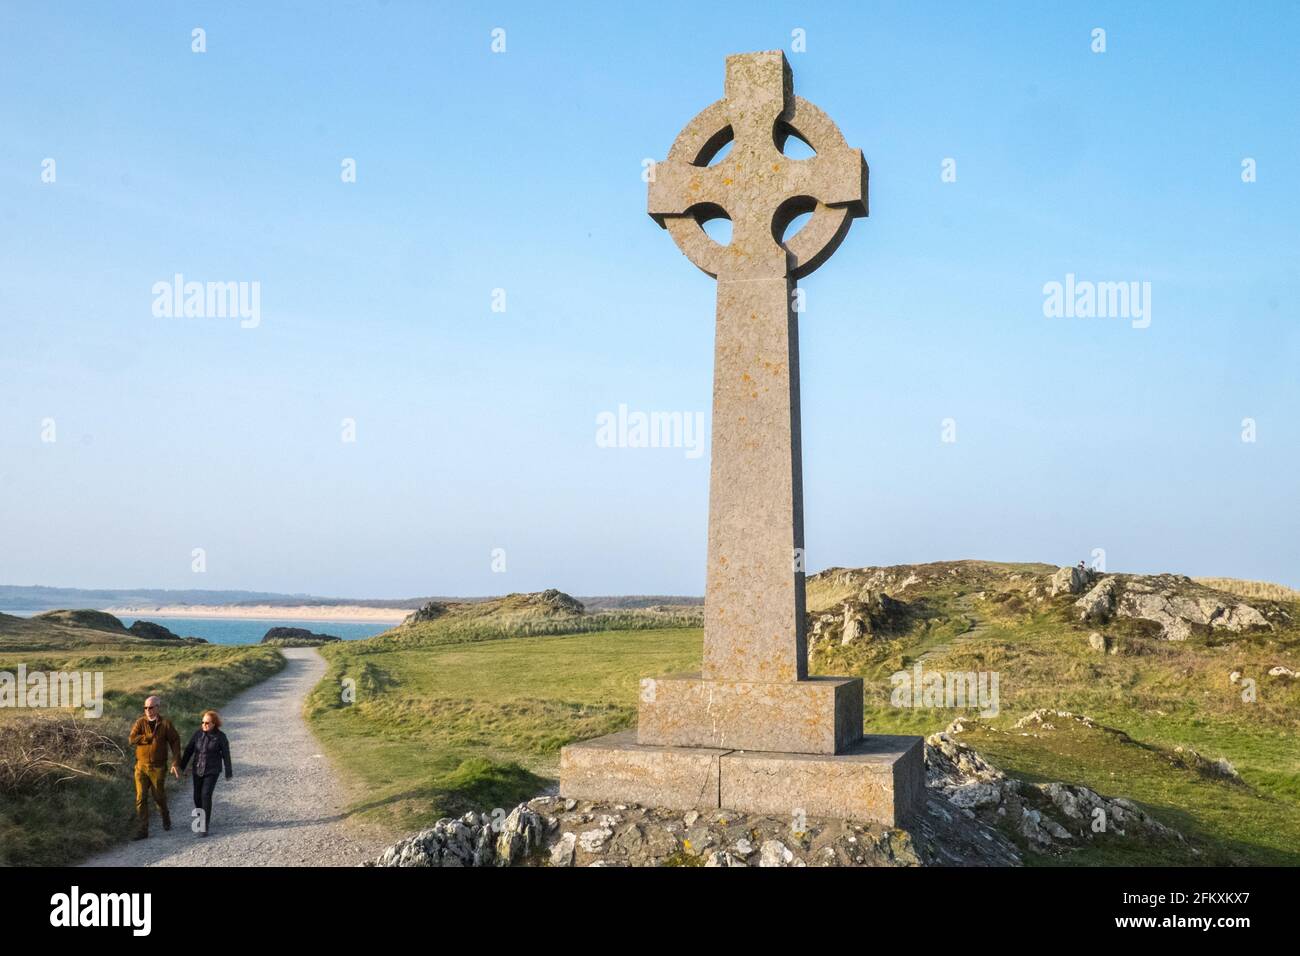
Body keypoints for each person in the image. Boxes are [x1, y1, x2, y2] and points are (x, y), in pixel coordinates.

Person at [127, 695, 182, 840]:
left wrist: (175, 762)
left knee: (158, 797)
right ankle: (142, 830)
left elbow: (175, 742)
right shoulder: (140, 722)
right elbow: (131, 739)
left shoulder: (165, 724)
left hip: (158, 768)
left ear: (158, 707)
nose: (147, 710)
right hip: (141, 766)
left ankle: (165, 817)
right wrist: (147, 738)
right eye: (145, 707)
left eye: (150, 707)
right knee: (141, 798)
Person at [180, 709, 232, 837]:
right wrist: (181, 767)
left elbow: (226, 754)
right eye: (202, 722)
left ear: (214, 724)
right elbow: (188, 751)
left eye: (207, 723)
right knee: (197, 796)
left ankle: (204, 826)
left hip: (212, 770)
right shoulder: (197, 734)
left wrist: (228, 770)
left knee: (205, 795)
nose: (204, 725)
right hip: (197, 769)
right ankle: (199, 819)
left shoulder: (221, 737)